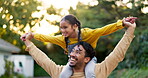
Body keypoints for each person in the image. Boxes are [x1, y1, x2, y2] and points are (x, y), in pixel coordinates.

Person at [21, 15, 136, 78]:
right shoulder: (63, 42)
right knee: (63, 75)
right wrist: (32, 37)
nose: (62, 31)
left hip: (91, 62)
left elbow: (104, 30)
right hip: (70, 66)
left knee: (91, 73)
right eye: (61, 28)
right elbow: (47, 41)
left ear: (75, 26)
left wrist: (121, 23)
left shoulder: (99, 70)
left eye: (65, 27)